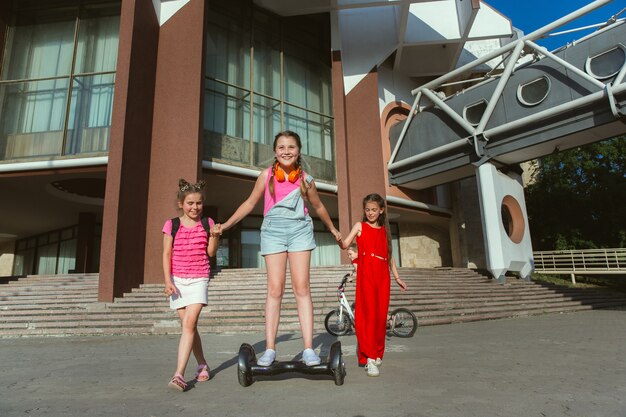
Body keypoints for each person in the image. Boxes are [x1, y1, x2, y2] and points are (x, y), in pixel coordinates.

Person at [213, 130, 342, 367]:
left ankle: (308, 349)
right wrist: (228, 224)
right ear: (275, 152)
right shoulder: (266, 176)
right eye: (281, 147)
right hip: (273, 231)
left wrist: (333, 229)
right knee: (275, 289)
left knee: (302, 288)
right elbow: (250, 203)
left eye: (291, 147)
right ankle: (270, 349)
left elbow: (319, 206)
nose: (286, 151)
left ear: (299, 151)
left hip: (300, 231)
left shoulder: (306, 180)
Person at [339, 193, 407, 377]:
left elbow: (389, 256)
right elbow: (345, 244)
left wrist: (397, 277)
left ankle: (377, 351)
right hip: (366, 273)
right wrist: (339, 238)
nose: (370, 213)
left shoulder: (385, 231)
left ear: (381, 210)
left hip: (382, 276)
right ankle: (369, 357)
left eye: (374, 210)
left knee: (380, 316)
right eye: (367, 210)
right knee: (366, 316)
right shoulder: (360, 226)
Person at [162, 179, 220, 391]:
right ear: (181, 204)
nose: (195, 207)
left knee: (188, 324)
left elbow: (211, 252)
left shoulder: (207, 223)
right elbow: (166, 254)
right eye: (190, 203)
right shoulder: (172, 224)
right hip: (177, 281)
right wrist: (168, 281)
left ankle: (179, 374)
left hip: (199, 279)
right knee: (190, 326)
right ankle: (202, 363)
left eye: (198, 203)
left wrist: (215, 236)